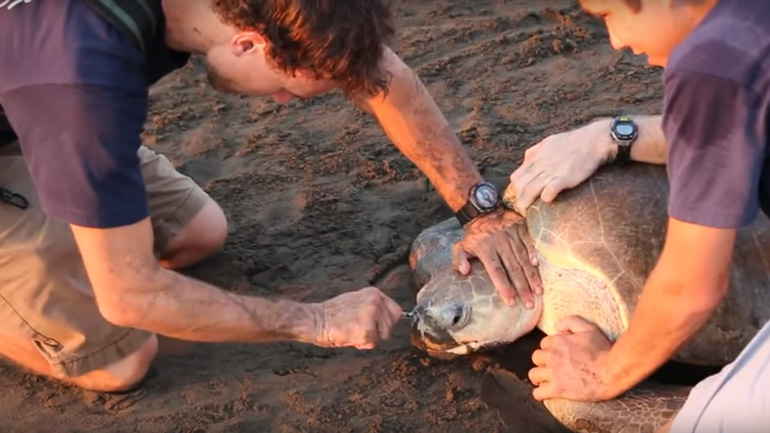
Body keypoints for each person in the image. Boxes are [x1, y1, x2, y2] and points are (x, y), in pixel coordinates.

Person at [0, 0, 542, 393]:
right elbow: (129, 296)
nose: (283, 101)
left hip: (34, 103)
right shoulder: (80, 82)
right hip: (53, 104)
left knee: (197, 234)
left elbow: (376, 72)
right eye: (288, 88)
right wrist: (318, 321)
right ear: (248, 42)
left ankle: (65, 196)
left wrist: (481, 210)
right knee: (119, 361)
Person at [510, 0, 770, 431]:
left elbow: (692, 288)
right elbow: (733, 124)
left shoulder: (708, 63)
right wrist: (612, 135)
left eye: (610, 14)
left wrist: (605, 371)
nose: (616, 41)